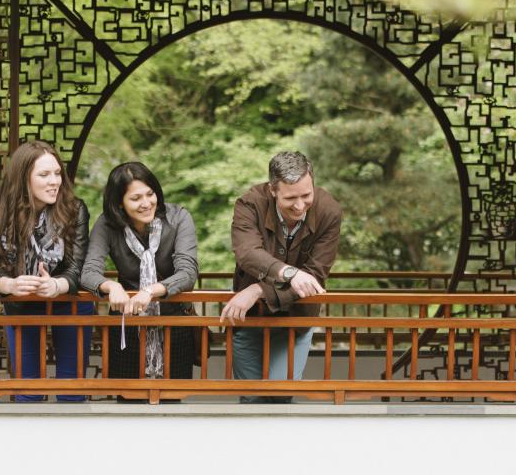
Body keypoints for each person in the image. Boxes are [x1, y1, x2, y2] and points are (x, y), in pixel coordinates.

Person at [219, 151, 342, 403]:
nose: (299, 205)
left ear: (313, 184)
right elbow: (247, 253)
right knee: (251, 399)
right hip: (250, 318)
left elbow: (316, 275)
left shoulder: (329, 211)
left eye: (306, 195)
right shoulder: (249, 204)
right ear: (273, 190)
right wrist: (289, 272)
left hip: (296, 318)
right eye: (290, 198)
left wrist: (258, 290)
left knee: (280, 395)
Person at [0, 140, 92, 402]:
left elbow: (79, 268)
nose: (54, 181)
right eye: (44, 175)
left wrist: (56, 285)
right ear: (23, 178)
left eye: (57, 173)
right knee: (27, 393)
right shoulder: (3, 212)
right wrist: (9, 285)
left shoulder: (75, 209)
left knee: (71, 393)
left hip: (69, 303)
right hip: (23, 304)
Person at [80, 162, 200, 385]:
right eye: (136, 198)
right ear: (119, 203)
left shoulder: (179, 217)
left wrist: (150, 291)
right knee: (127, 402)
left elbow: (188, 272)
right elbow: (88, 272)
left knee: (174, 404)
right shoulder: (106, 224)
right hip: (127, 324)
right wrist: (112, 286)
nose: (146, 203)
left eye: (150, 194)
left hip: (174, 322)